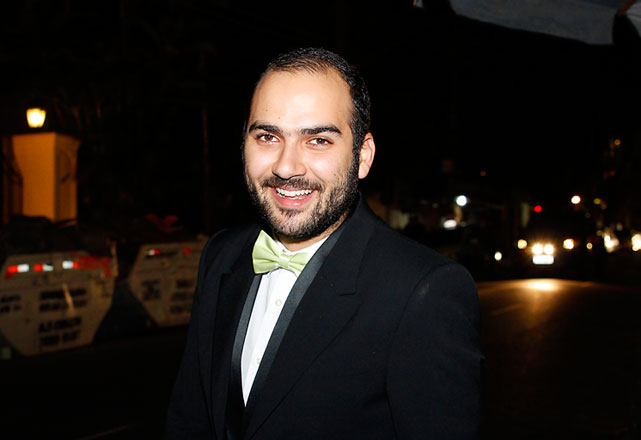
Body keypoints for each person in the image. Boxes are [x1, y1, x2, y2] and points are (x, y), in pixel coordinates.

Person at [165, 47, 483, 439]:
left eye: (317, 140)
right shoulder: (222, 255)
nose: (286, 166)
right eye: (267, 136)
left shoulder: (424, 291)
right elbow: (190, 419)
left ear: (362, 156)